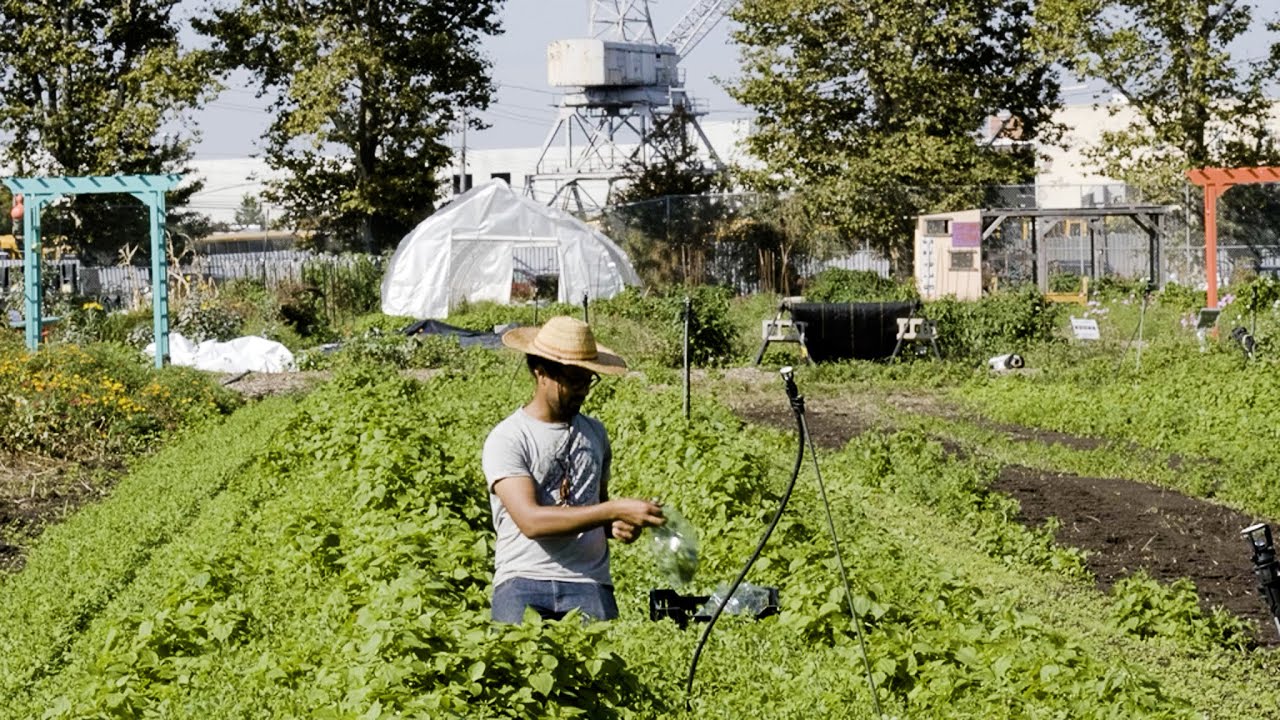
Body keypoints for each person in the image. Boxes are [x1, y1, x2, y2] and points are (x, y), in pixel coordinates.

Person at [483, 315, 665, 623]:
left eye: (587, 379)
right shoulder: (509, 437)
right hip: (523, 580)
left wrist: (616, 524)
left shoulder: (595, 433)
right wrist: (612, 510)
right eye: (572, 379)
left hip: (589, 582)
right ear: (540, 372)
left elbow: (594, 507)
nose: (582, 389)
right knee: (517, 655)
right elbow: (531, 521)